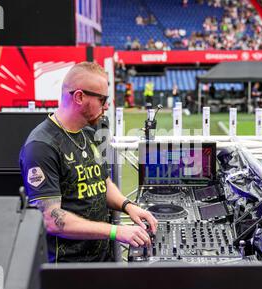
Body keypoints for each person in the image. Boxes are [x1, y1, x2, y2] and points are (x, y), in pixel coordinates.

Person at [19, 62, 158, 263]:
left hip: (102, 260)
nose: (107, 106)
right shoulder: (41, 145)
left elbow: (102, 182)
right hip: (69, 270)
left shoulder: (89, 132)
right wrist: (115, 231)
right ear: (79, 97)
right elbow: (51, 219)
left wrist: (128, 205)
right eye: (102, 99)